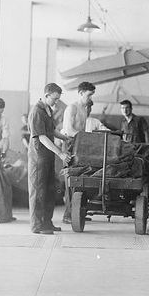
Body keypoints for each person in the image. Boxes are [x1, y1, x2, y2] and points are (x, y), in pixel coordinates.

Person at [28, 83, 72, 235]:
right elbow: (41, 137)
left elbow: (52, 130)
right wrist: (60, 153)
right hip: (39, 159)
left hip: (48, 157)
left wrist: (66, 138)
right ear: (46, 95)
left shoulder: (48, 110)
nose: (56, 102)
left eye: (58, 99)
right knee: (39, 192)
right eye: (54, 99)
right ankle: (37, 226)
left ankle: (47, 222)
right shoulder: (37, 112)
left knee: (49, 191)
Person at [61, 82, 96, 224]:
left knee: (82, 178)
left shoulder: (85, 108)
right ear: (81, 93)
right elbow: (69, 130)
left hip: (79, 143)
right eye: (88, 95)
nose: (90, 98)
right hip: (69, 144)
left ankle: (78, 211)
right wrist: (86, 138)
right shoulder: (72, 108)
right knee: (71, 180)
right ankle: (68, 215)